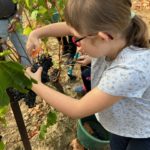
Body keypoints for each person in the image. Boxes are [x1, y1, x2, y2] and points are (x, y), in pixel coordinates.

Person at [26, 0, 150, 149]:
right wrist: (37, 33)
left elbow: (77, 109)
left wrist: (35, 84)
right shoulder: (118, 32)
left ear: (103, 37)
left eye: (77, 39)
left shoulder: (128, 72)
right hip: (123, 123)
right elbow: (70, 27)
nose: (76, 44)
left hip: (142, 133)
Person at [0, 0, 31, 66]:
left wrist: (17, 17)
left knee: (25, 49)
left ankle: (29, 73)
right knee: (2, 58)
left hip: (14, 16)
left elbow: (22, 1)